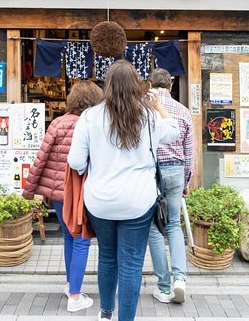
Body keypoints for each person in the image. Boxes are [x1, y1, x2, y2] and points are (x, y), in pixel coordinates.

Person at [68, 60, 180, 321]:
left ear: (107, 86)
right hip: (138, 202)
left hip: (100, 201)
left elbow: (75, 162)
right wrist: (158, 105)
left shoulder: (90, 116)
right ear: (135, 85)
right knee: (131, 264)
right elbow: (174, 131)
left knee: (107, 257)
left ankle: (106, 313)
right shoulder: (148, 115)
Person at [22, 80, 103, 313]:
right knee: (82, 239)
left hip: (58, 194)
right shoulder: (93, 124)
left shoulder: (58, 122)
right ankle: (75, 297)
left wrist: (30, 190)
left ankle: (71, 286)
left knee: (69, 237)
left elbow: (40, 159)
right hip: (82, 191)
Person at [146, 68, 195, 304]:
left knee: (154, 228)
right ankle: (180, 279)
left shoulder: (143, 109)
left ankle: (164, 287)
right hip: (177, 168)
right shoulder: (183, 111)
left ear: (150, 84)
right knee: (174, 224)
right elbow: (190, 151)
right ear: (171, 85)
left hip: (152, 170)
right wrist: (187, 180)